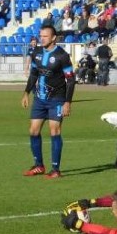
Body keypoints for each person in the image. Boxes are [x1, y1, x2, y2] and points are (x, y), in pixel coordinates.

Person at [21, 25, 75, 178]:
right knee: (33, 130)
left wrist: (67, 102)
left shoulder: (62, 56)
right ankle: (39, 166)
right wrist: (26, 93)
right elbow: (33, 75)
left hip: (57, 99)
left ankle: (56, 170)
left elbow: (71, 80)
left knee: (54, 131)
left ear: (53, 38)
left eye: (45, 36)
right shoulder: (36, 53)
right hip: (39, 99)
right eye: (40, 35)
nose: (41, 38)